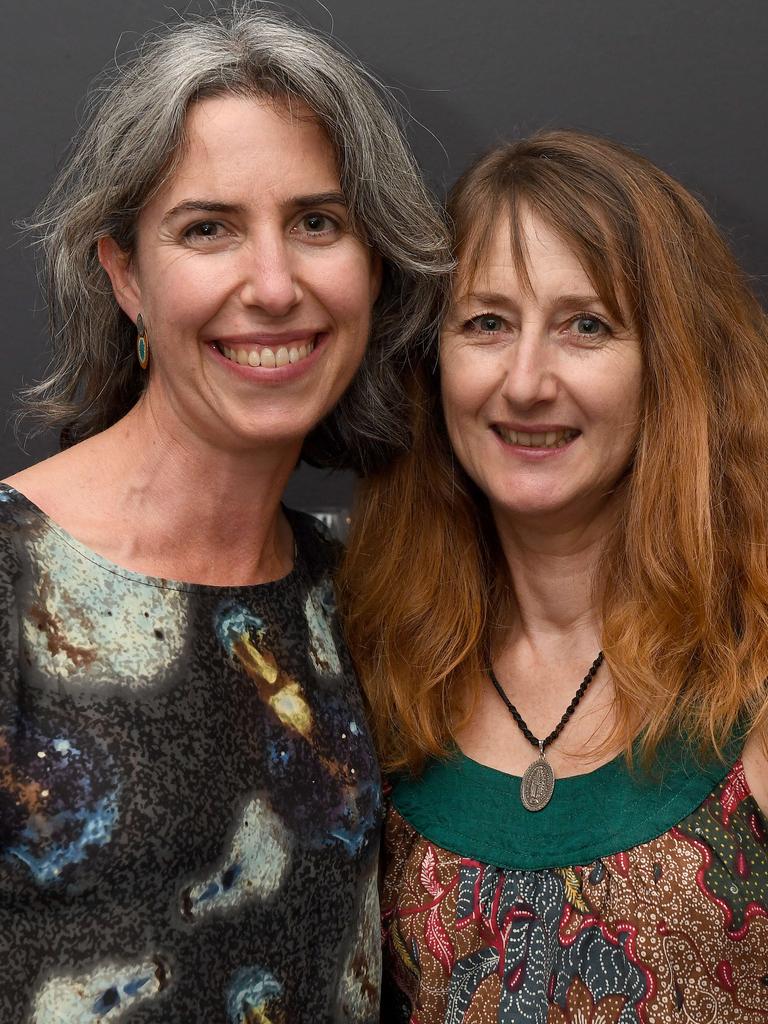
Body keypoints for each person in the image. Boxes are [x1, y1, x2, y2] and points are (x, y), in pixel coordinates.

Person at [0, 8, 449, 1022]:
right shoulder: (12, 580)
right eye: (208, 228)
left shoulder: (365, 591)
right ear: (125, 275)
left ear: (372, 267)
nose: (276, 285)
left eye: (317, 222)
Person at [340, 131, 768, 1022]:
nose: (527, 382)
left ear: (673, 368)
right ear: (432, 362)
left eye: (588, 325)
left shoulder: (755, 671)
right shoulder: (375, 668)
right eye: (487, 323)